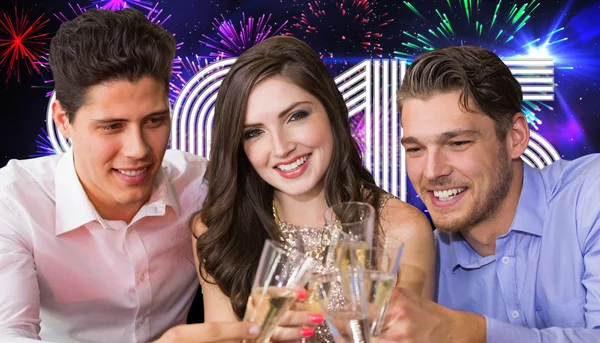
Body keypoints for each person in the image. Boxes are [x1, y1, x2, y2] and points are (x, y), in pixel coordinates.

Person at [0, 9, 306, 343]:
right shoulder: (14, 202)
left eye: (154, 121)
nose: (139, 150)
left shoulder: (202, 186)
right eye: (112, 126)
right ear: (63, 119)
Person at [192, 35, 436, 342]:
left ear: (331, 109)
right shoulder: (219, 232)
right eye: (254, 132)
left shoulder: (401, 230)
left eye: (296, 116)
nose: (281, 148)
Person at [382, 45, 600, 342]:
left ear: (515, 137)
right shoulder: (419, 264)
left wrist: (473, 332)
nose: (432, 171)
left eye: (457, 143)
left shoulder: (590, 195)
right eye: (415, 149)